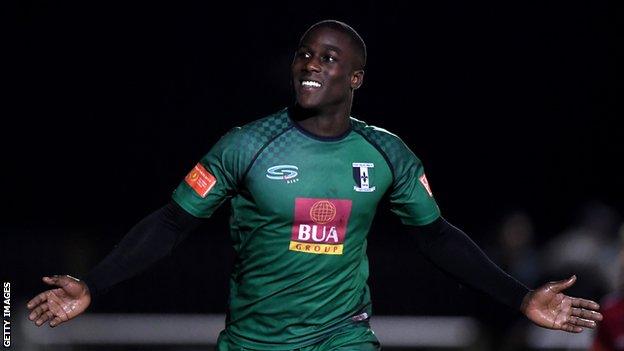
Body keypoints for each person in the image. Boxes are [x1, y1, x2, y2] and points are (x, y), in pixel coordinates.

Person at [26, 20, 603, 350]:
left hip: (341, 338)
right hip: (254, 342)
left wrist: (520, 296)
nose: (310, 64)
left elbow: (437, 237)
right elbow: (171, 223)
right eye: (304, 54)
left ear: (355, 78)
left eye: (328, 58)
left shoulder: (386, 153)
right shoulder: (246, 144)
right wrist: (94, 285)